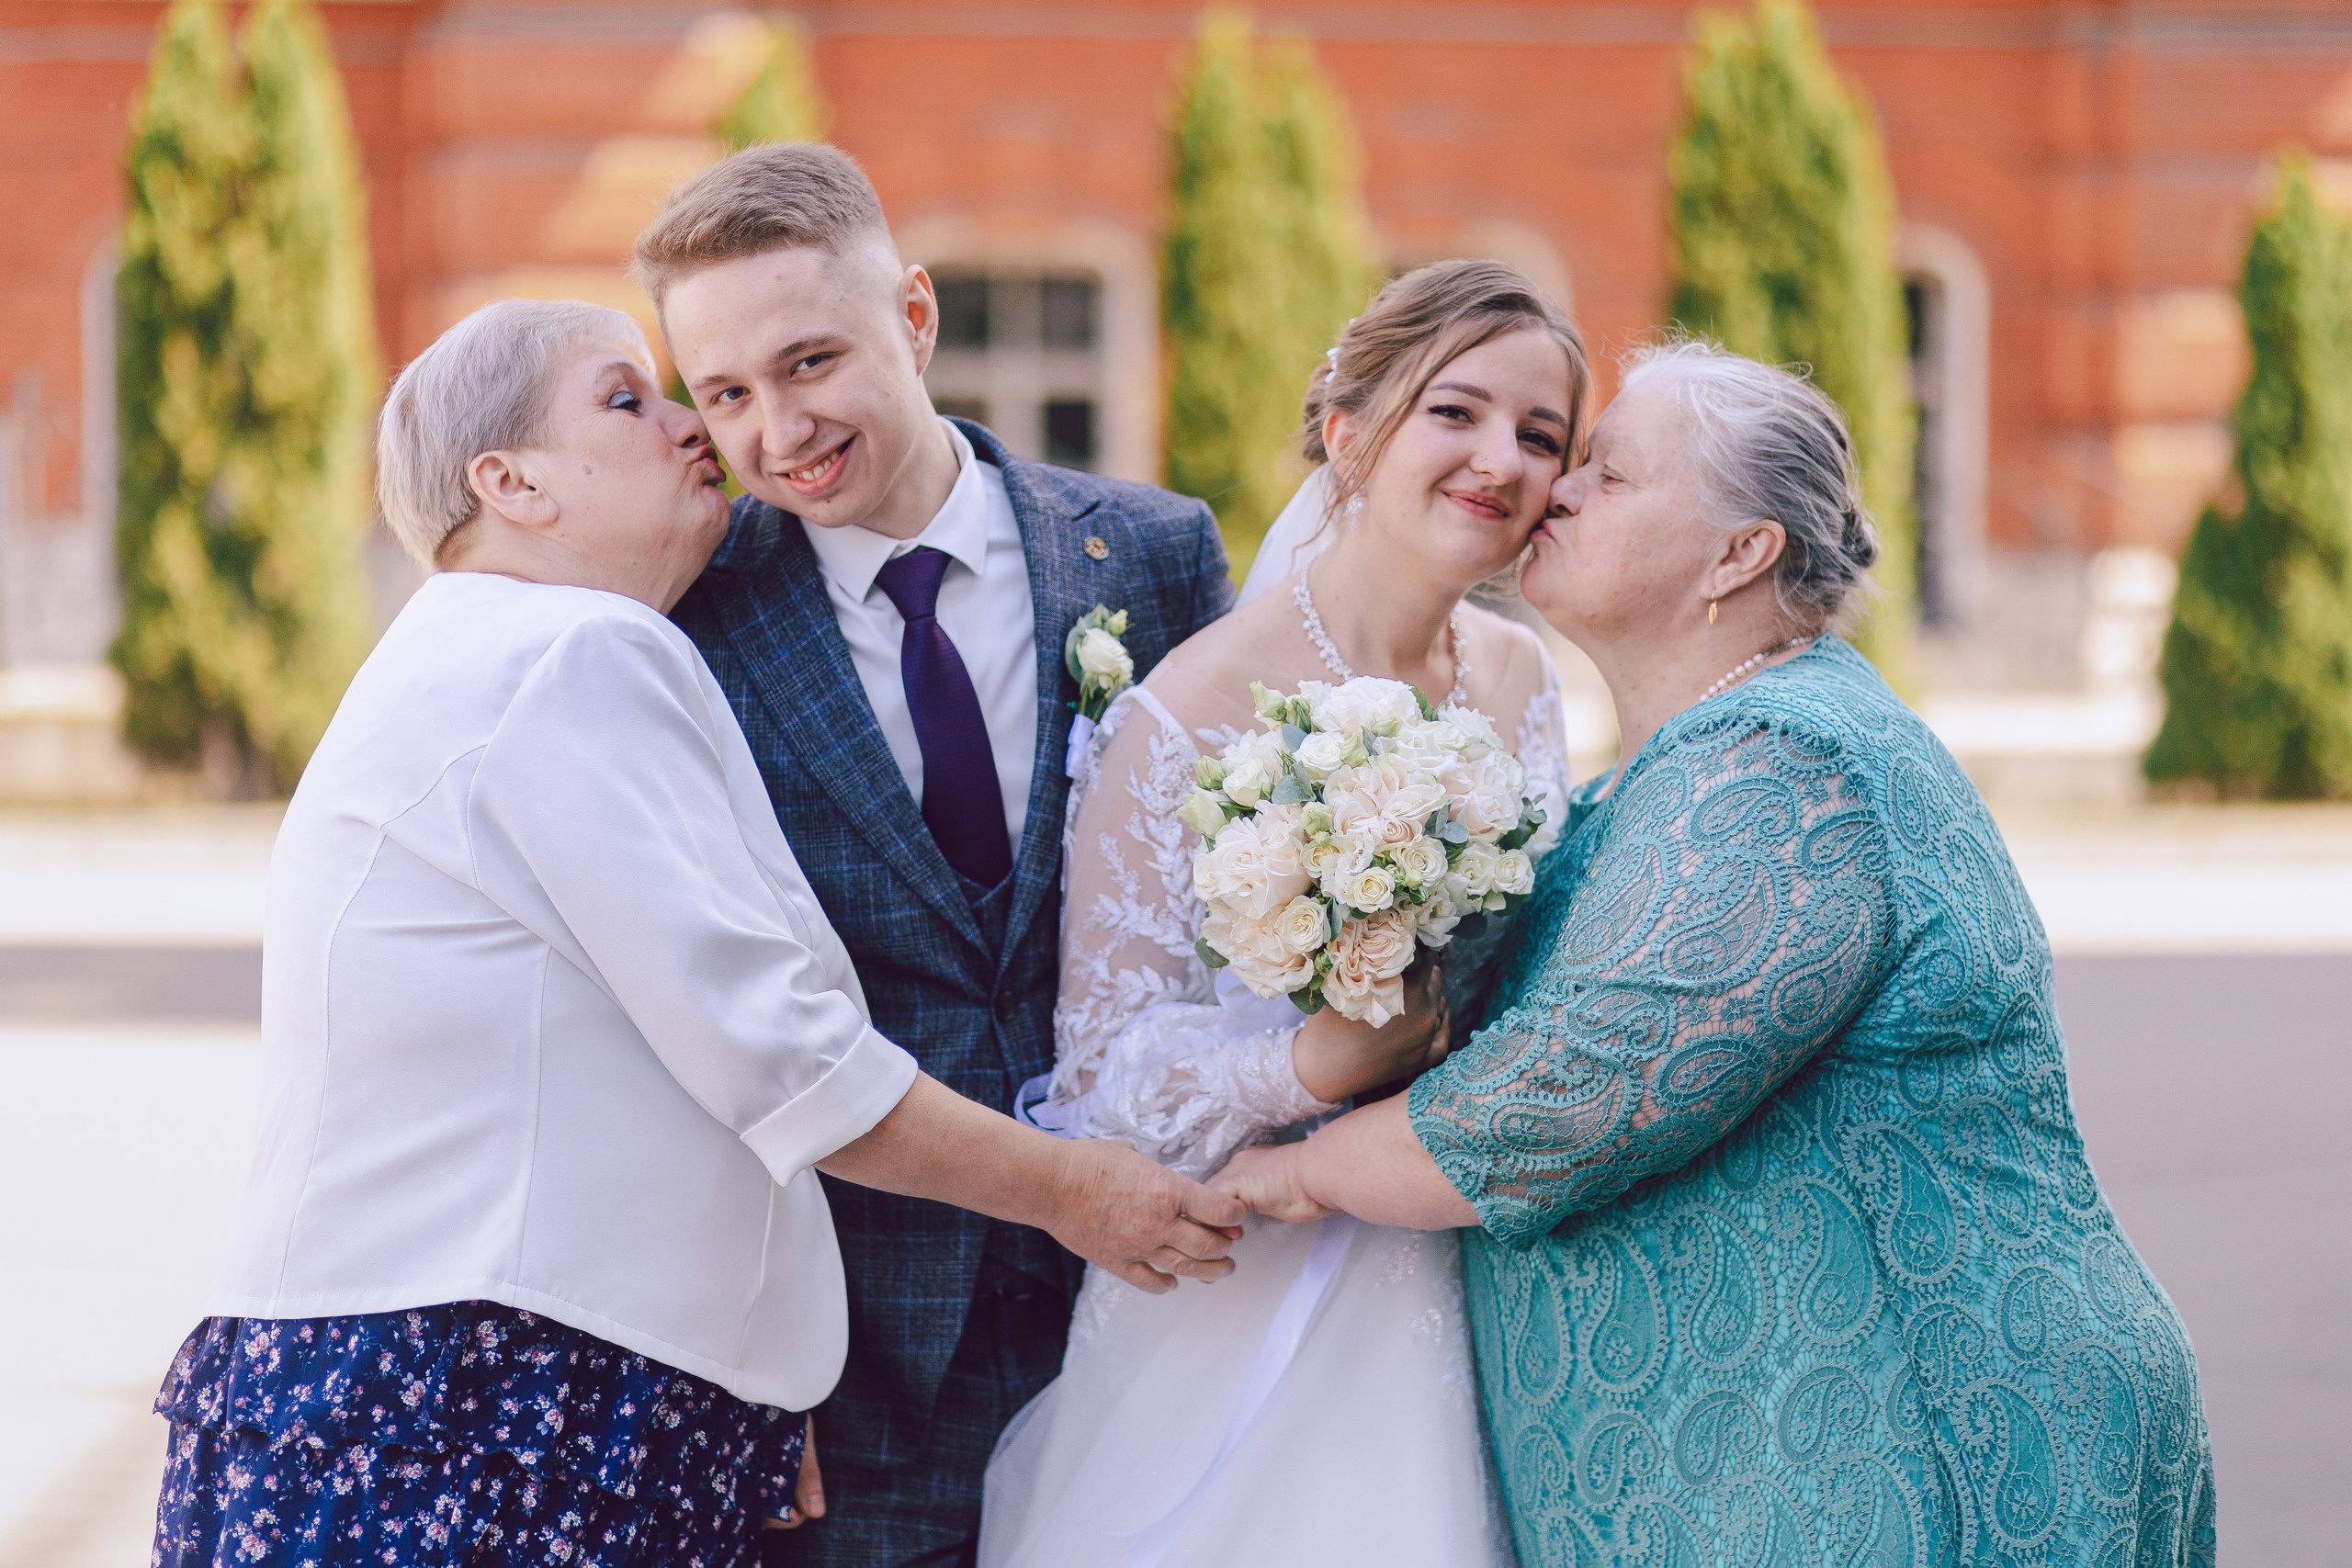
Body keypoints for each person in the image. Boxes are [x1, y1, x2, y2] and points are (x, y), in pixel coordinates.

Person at [151, 299, 1244, 1568]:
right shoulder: (566, 653)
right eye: (627, 400)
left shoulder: (459, 659)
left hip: (422, 1391)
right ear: (509, 482)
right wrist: (1076, 1192)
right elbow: (785, 1060)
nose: (695, 430)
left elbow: (637, 1071)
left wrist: (750, 1369)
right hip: (483, 1405)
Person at [1217, 339, 2217, 1566]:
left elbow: (1564, 1099)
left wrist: (1299, 1171)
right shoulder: (1667, 769)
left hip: (1932, 1442)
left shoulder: (1791, 767)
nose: (1558, 490)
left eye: (1611, 473)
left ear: (1743, 553)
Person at [633, 144, 1242, 1567]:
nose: (777, 430)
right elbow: (680, 1038)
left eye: (809, 362)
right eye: (725, 395)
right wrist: (739, 1375)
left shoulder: (1152, 557)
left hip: (1147, 1297)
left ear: (914, 316)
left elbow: (1230, 919)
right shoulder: (689, 621)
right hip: (853, 1370)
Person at [979, 260, 1591, 1565]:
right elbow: (1102, 1088)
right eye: (1456, 413)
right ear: (1350, 431)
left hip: (1474, 1266)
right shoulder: (1189, 713)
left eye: (1541, 437)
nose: (1501, 459)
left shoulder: (1525, 678)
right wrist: (1302, 1061)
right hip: (1244, 1288)